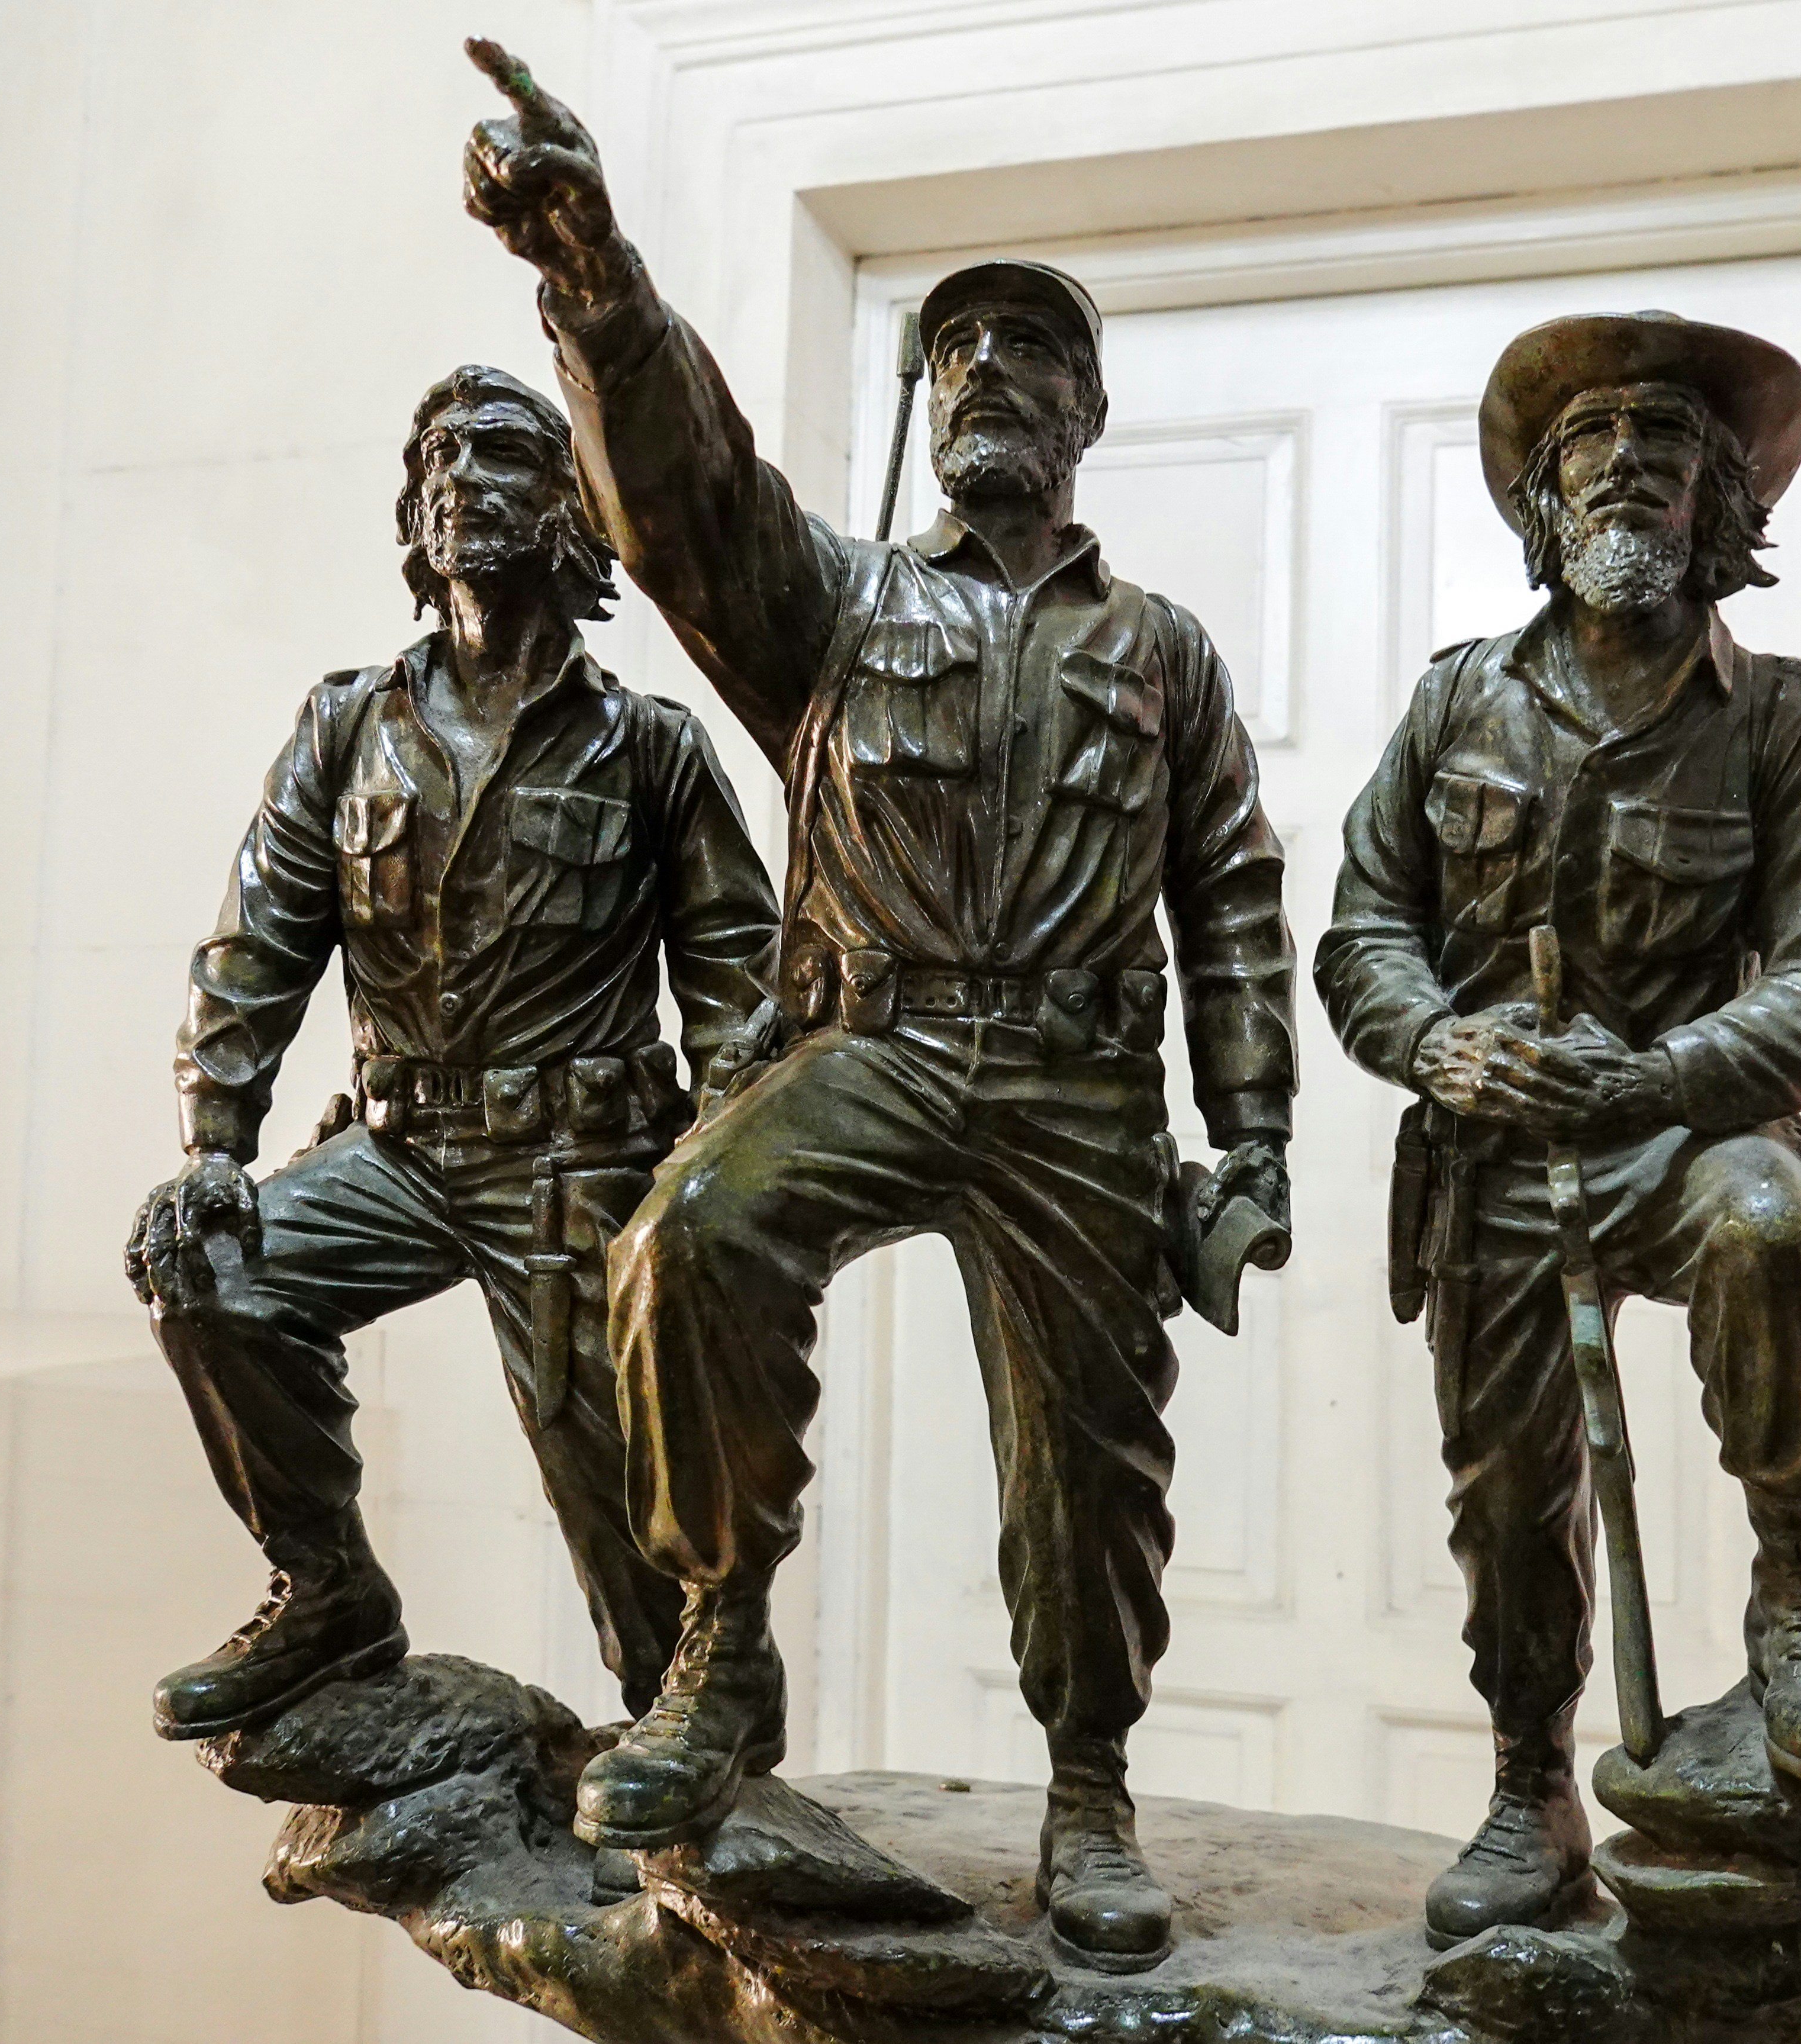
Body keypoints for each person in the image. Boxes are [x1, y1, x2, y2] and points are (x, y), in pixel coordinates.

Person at [457, 41, 1297, 1973]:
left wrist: (1246, 1141)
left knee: (1088, 1452)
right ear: (924, 412)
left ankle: (1088, 1788)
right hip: (873, 1045)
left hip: (1084, 1080)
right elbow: (677, 493)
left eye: (1029, 355)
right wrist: (590, 275)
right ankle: (718, 1650)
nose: (988, 375)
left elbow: (1233, 893)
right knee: (691, 1236)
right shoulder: (831, 604)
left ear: (1089, 411)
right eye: (956, 356)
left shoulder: (1160, 649)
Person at [1314, 312, 1801, 1948]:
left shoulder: (1784, 717)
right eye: (1590, 447)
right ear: (1543, 504)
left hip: (1682, 1119)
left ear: (1721, 510)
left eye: (1667, 452)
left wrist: (1655, 1077)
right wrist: (1444, 1046)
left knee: (1776, 1228)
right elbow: (1361, 930)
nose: (1626, 472)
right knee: (1508, 1491)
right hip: (1500, 1150)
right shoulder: (1453, 709)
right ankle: (1528, 1778)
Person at [125, 365, 778, 1745]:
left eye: (498, 455)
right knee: (214, 1278)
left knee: (609, 1481)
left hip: (580, 1167)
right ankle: (327, 1590)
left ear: (565, 512)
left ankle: (699, 1744)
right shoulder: (349, 726)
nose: (457, 481)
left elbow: (736, 977)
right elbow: (254, 948)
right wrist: (213, 1147)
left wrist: (719, 1176)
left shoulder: (648, 748)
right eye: (435, 462)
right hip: (402, 1150)